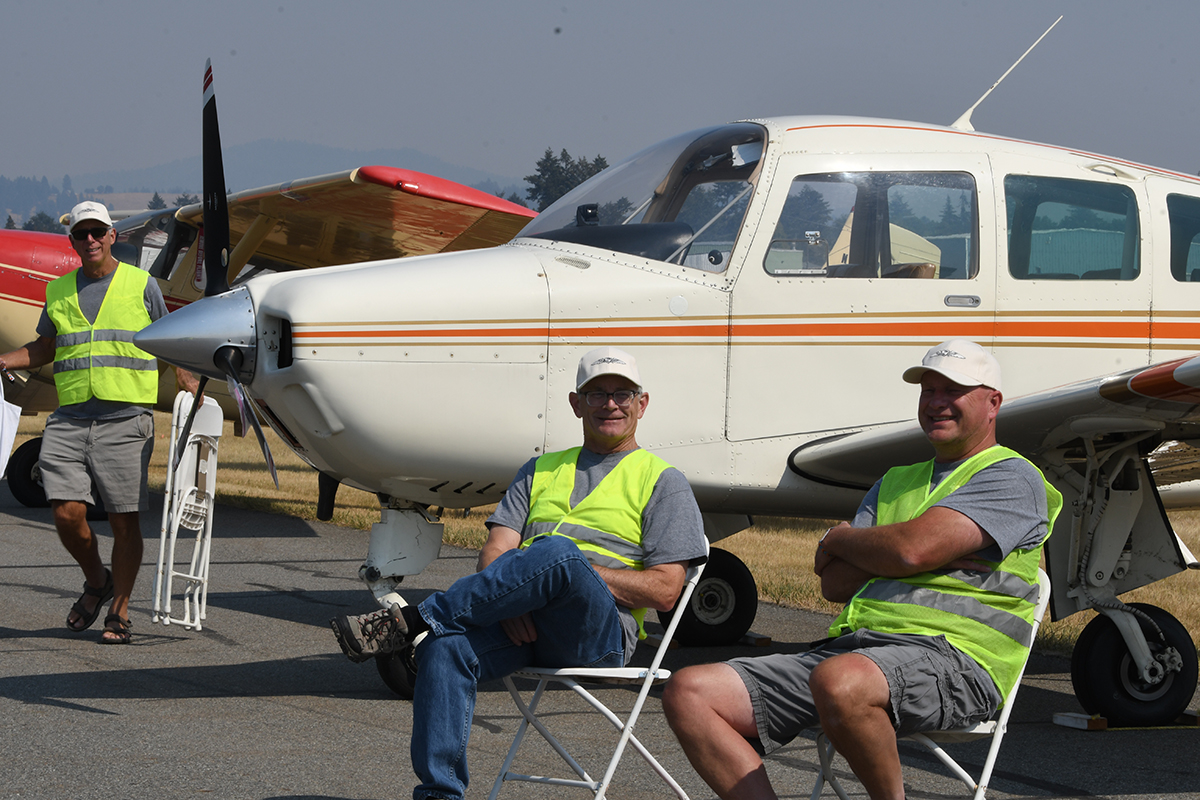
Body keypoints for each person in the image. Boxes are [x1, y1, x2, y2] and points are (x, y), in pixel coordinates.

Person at [663, 339, 1062, 800]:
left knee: (842, 682)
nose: (936, 402)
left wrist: (849, 541)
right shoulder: (894, 481)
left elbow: (911, 551)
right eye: (928, 390)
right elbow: (835, 582)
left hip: (956, 661)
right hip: (853, 652)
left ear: (992, 402)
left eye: (953, 390)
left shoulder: (1011, 476)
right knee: (690, 691)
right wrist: (886, 549)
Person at [331, 346, 708, 800]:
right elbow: (495, 551)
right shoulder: (539, 469)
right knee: (444, 650)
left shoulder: (664, 481)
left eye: (623, 393)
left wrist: (569, 571)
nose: (611, 403)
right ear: (575, 403)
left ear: (641, 404)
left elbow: (667, 591)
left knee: (560, 553)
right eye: (597, 394)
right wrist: (513, 600)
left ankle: (416, 619)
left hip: (599, 635)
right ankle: (440, 795)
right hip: (524, 627)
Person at [0, 201, 168, 645]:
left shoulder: (141, 284)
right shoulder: (57, 292)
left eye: (97, 231)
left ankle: (121, 609)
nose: (89, 239)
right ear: (71, 241)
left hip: (126, 416)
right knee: (64, 513)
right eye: (81, 234)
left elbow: (170, 339)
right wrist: (4, 359)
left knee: (123, 520)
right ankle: (98, 580)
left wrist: (191, 385)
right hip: (71, 417)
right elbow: (44, 347)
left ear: (113, 235)